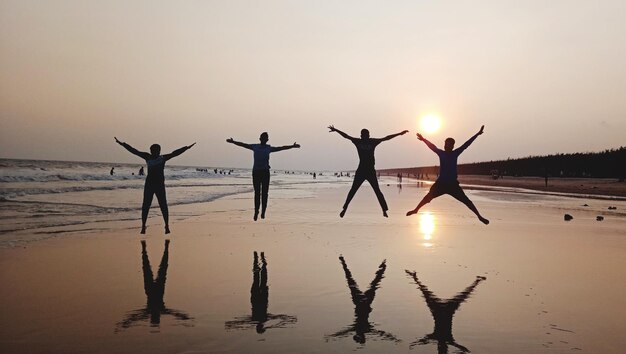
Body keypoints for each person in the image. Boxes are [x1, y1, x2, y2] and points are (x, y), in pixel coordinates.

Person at [406, 126, 489, 224]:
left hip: (452, 185)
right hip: (441, 183)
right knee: (428, 197)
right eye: (445, 144)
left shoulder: (455, 153)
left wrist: (477, 134)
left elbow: (466, 144)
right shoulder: (441, 153)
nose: (446, 146)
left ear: (452, 146)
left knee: (466, 201)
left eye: (448, 144)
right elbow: (432, 146)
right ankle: (416, 210)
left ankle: (479, 216)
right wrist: (424, 139)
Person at [115, 137, 195, 234]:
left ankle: (166, 226)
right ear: (151, 151)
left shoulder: (162, 158)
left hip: (159, 185)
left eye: (157, 150)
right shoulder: (147, 157)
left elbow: (175, 153)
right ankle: (143, 226)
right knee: (146, 205)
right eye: (153, 150)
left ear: (159, 151)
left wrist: (186, 148)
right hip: (149, 184)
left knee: (163, 205)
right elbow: (134, 151)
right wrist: (123, 144)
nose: (155, 152)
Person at [328, 125, 408, 217]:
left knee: (375, 190)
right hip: (362, 170)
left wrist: (399, 134)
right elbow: (346, 136)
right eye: (364, 135)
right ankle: (345, 208)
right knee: (354, 190)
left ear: (367, 135)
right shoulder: (361, 141)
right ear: (362, 135)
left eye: (366, 135)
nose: (365, 136)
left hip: (369, 171)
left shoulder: (370, 141)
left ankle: (384, 210)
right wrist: (336, 130)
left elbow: (386, 138)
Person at [226, 132, 300, 221]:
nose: (264, 139)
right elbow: (243, 145)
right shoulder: (255, 146)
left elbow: (281, 148)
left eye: (265, 138)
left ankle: (263, 211)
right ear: (260, 139)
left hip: (265, 172)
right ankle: (256, 211)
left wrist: (292, 146)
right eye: (262, 138)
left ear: (267, 140)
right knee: (257, 193)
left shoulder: (268, 148)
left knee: (265, 193)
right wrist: (233, 142)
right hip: (256, 172)